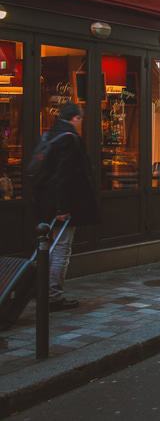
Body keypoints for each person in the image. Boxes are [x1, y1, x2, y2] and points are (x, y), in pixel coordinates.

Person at [32, 103, 99, 311]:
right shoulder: (69, 139)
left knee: (46, 249)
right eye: (81, 119)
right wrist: (62, 208)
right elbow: (64, 176)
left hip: (44, 203)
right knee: (61, 249)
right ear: (75, 119)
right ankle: (53, 296)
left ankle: (41, 291)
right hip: (61, 206)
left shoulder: (50, 135)